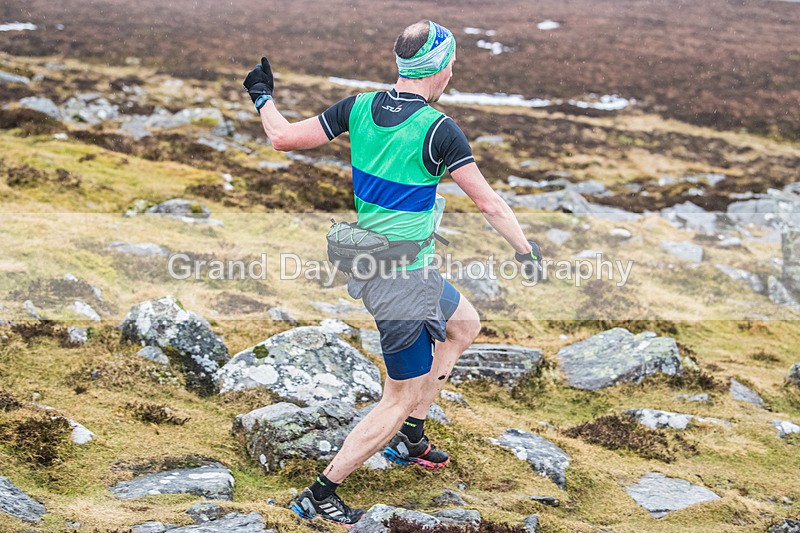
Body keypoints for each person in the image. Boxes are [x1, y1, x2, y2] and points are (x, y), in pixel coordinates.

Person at [243, 19, 542, 528]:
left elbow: (283, 139)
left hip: (402, 269)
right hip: (398, 283)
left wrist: (261, 96)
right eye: (452, 62)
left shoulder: (358, 106)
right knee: (397, 396)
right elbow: (490, 204)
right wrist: (525, 250)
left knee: (463, 324)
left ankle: (411, 436)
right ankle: (321, 492)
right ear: (440, 68)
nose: (452, 71)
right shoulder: (437, 129)